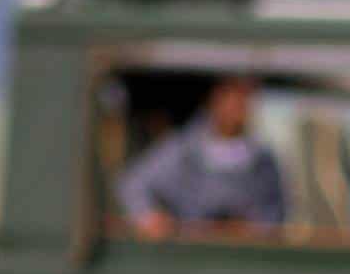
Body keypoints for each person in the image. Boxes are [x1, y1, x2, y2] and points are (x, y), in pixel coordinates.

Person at [119, 75, 286, 240]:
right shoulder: (182, 149)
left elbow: (274, 213)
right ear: (215, 99)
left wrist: (253, 230)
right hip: (189, 256)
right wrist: (149, 217)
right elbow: (133, 184)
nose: (238, 106)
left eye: (245, 97)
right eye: (231, 95)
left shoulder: (264, 160)